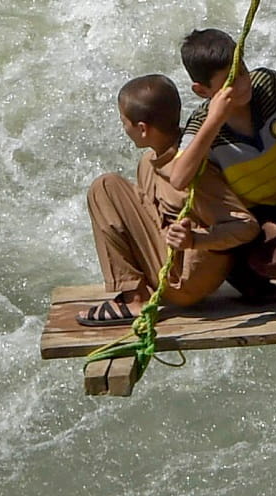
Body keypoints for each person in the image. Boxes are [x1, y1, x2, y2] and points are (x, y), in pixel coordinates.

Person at [79, 74, 262, 326]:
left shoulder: (192, 171)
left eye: (124, 122)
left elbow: (246, 225)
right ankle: (136, 288)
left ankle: (134, 299)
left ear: (142, 129)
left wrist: (196, 240)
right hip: (173, 264)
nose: (124, 128)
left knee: (105, 188)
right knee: (120, 188)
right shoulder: (151, 162)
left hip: (185, 280)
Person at [176, 28, 276, 299]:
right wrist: (215, 120)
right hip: (251, 217)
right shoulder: (202, 124)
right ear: (202, 90)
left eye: (242, 70)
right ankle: (243, 275)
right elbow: (179, 178)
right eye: (230, 80)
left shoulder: (267, 85)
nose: (242, 83)